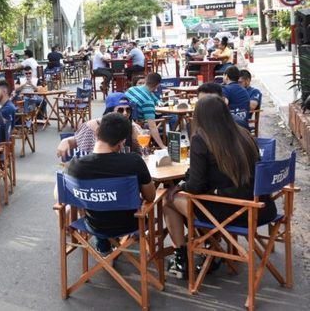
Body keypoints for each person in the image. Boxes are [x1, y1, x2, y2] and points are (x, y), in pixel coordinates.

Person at [162, 95, 276, 279]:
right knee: (193, 202)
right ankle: (210, 248)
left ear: (200, 116)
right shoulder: (244, 133)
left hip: (232, 212)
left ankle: (182, 259)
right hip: (261, 208)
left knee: (168, 200)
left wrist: (180, 185)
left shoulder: (202, 139)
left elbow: (196, 187)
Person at [64, 113, 155, 255]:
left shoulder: (75, 165)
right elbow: (150, 196)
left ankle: (104, 247)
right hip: (130, 224)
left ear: (97, 133)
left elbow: (66, 196)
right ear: (122, 141)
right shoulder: (134, 161)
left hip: (93, 224)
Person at [56, 92, 143, 159]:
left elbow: (140, 153)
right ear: (110, 112)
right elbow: (77, 141)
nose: (125, 113)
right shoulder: (92, 126)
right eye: (120, 110)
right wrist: (65, 141)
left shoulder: (132, 127)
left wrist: (134, 134)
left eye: (128, 110)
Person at [125, 73, 167, 149]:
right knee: (166, 119)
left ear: (146, 80)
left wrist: (157, 101)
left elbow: (150, 94)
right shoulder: (148, 101)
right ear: (157, 85)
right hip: (139, 127)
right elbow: (152, 126)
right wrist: (162, 146)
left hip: (126, 121)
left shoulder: (132, 89)